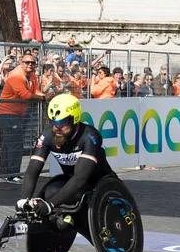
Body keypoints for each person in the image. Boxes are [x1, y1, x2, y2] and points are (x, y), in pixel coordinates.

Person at [19, 94, 116, 231]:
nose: (57, 127)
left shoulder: (89, 136)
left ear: (74, 119)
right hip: (76, 185)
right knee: (50, 191)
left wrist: (50, 205)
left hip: (101, 183)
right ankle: (66, 222)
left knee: (54, 198)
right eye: (53, 122)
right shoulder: (47, 136)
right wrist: (24, 199)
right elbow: (31, 172)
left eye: (62, 122)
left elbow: (80, 179)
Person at [0, 54, 53, 184]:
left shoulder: (32, 76)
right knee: (14, 143)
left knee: (11, 143)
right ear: (21, 63)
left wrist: (45, 95)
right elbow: (25, 95)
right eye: (27, 62)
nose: (30, 65)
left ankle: (6, 174)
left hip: (17, 113)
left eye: (32, 62)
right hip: (7, 112)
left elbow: (36, 91)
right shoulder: (16, 76)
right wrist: (44, 98)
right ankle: (10, 174)